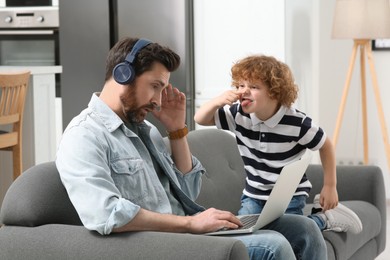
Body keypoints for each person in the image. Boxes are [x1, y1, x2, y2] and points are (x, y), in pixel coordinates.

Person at [56, 37, 327, 259]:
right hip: (164, 244)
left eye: (162, 89)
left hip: (191, 232)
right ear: (123, 75)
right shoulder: (84, 136)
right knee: (274, 247)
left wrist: (176, 131)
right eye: (155, 87)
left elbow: (187, 191)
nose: (158, 101)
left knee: (304, 230)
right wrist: (190, 224)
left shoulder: (145, 130)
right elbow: (106, 214)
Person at [194, 54, 363, 234]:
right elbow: (200, 118)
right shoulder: (238, 115)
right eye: (241, 85)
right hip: (254, 196)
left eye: (253, 86)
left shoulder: (297, 123)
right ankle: (318, 219)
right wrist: (217, 101)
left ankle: (324, 219)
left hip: (289, 196)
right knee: (244, 234)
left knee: (294, 232)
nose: (243, 91)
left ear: (274, 91)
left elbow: (325, 145)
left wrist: (330, 186)